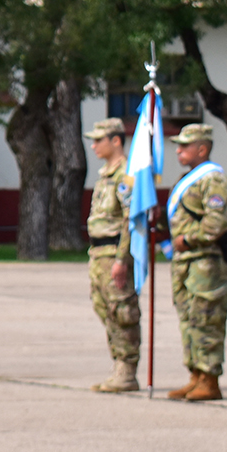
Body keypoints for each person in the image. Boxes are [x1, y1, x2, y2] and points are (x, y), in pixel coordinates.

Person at [163, 124, 227, 402]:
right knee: (189, 319)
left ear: (202, 149)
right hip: (186, 262)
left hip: (206, 262)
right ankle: (195, 375)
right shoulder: (189, 179)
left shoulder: (213, 180)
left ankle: (210, 377)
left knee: (207, 319)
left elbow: (216, 222)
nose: (179, 151)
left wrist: (188, 240)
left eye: (185, 146)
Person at [83, 117, 141, 392]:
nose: (93, 145)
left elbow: (131, 220)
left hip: (114, 253)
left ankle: (127, 370)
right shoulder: (106, 173)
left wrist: (122, 259)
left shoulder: (126, 174)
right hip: (99, 253)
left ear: (115, 140)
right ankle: (117, 364)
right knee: (104, 307)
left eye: (98, 139)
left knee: (123, 311)